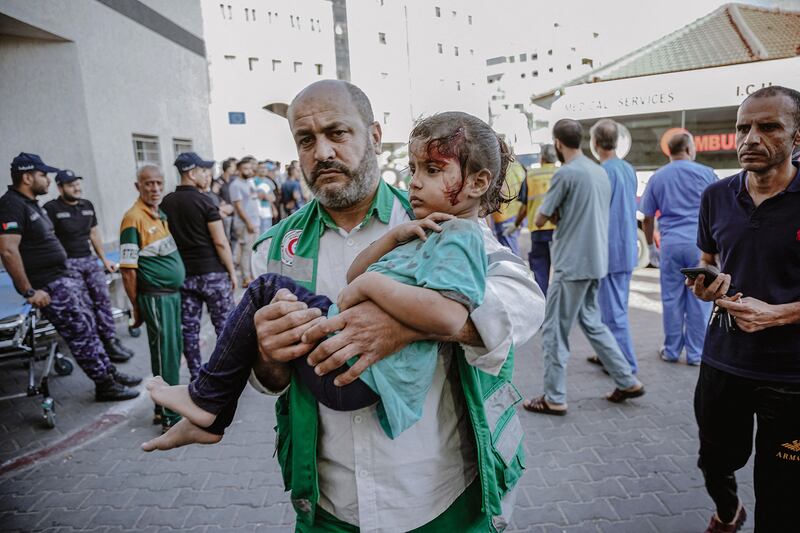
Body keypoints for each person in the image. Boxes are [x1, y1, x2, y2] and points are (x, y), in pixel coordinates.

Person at [141, 80, 545, 532]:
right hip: (331, 504)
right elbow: (271, 382)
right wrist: (267, 353)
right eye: (307, 140)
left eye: (338, 133)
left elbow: (524, 299)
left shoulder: (436, 218)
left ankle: (205, 403)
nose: (323, 152)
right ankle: (207, 406)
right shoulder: (275, 247)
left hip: (441, 493)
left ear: (373, 135)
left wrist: (409, 324)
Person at [147, 111, 505, 442]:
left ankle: (207, 401)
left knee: (266, 290)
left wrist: (373, 288)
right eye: (413, 169)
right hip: (350, 371)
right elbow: (354, 274)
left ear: (477, 182)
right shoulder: (425, 230)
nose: (415, 182)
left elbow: (448, 316)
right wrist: (394, 237)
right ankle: (209, 412)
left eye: (432, 170)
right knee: (274, 299)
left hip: (356, 376)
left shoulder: (463, 236)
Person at [688, 86, 800, 533]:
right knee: (715, 461)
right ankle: (729, 511)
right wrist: (705, 285)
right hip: (722, 362)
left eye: (768, 126)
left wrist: (780, 313)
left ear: (797, 136)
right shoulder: (715, 195)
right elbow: (710, 262)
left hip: (792, 377)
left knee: (783, 491)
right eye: (742, 127)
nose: (750, 138)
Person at [523, 119, 644, 416]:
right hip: (596, 261)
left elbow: (541, 219)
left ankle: (554, 396)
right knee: (592, 321)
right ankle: (626, 380)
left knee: (554, 330)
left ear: (558, 144)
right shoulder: (598, 172)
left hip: (571, 262)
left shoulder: (566, 174)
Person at [0, 153, 140, 401]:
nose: (47, 179)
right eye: (43, 175)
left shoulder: (30, 203)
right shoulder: (11, 204)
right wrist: (29, 291)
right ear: (27, 176)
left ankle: (109, 373)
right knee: (80, 334)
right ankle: (105, 385)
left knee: (89, 328)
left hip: (63, 279)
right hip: (49, 284)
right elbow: (8, 250)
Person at [640, 132, 717, 365]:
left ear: (670, 152)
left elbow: (647, 218)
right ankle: (696, 354)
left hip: (671, 245)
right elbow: (718, 212)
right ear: (688, 149)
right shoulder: (707, 173)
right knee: (699, 298)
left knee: (671, 298)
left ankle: (671, 350)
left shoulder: (658, 177)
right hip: (700, 246)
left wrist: (652, 246)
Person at [43, 169, 135, 362]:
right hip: (68, 265)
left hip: (89, 260)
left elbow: (94, 234)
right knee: (84, 307)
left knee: (102, 301)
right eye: (70, 185)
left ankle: (110, 341)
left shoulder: (87, 205)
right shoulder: (51, 209)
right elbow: (47, 239)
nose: (76, 188)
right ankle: (96, 345)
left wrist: (104, 259)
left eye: (77, 183)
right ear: (60, 188)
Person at [119, 165, 186, 431]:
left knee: (171, 353)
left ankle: (161, 408)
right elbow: (127, 270)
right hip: (155, 298)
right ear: (138, 187)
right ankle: (170, 415)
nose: (155, 188)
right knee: (165, 355)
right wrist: (136, 308)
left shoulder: (159, 214)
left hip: (170, 296)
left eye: (159, 183)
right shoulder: (132, 218)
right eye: (148, 184)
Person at [160, 153, 236, 382]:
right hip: (212, 273)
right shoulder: (206, 202)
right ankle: (225, 375)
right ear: (191, 174)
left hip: (183, 276)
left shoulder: (165, 203)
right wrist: (232, 272)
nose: (208, 175)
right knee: (225, 328)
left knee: (189, 332)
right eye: (204, 171)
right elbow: (221, 242)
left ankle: (195, 376)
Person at [586, 119, 639, 373]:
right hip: (625, 248)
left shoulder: (602, 172)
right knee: (610, 309)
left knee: (613, 314)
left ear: (595, 144)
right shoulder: (627, 169)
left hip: (610, 252)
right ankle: (607, 354)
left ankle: (625, 365)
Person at [511, 144, 558, 294]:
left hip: (538, 230)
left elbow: (524, 207)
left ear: (542, 157)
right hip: (560, 230)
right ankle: (559, 306)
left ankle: (542, 303)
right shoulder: (562, 173)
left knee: (540, 269)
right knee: (561, 270)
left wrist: (516, 224)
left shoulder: (531, 175)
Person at [229, 158, 259, 286]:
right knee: (246, 251)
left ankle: (252, 275)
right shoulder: (236, 185)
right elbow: (239, 207)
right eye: (245, 168)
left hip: (254, 221)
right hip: (245, 224)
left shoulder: (249, 182)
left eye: (250, 168)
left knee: (253, 251)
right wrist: (249, 223)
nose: (249, 171)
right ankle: (246, 278)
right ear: (239, 170)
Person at [492, 156, 525, 256]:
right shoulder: (517, 166)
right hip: (517, 213)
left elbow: (502, 190)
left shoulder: (500, 168)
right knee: (512, 245)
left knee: (510, 252)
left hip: (504, 215)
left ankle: (517, 271)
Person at [210, 157, 236, 242]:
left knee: (236, 238)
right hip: (225, 214)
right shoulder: (218, 181)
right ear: (228, 168)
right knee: (227, 237)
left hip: (236, 212)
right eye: (233, 166)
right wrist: (221, 201)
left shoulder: (234, 180)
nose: (235, 168)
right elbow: (214, 195)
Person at [253, 160, 277, 234]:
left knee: (266, 233)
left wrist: (273, 209)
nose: (263, 170)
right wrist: (264, 196)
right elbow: (256, 197)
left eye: (265, 168)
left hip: (267, 212)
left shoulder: (269, 182)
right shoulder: (253, 181)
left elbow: (273, 198)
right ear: (257, 169)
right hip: (256, 212)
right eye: (261, 168)